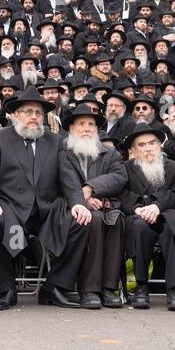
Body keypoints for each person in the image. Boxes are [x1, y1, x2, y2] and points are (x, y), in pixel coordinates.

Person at [0, 87, 91, 311]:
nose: (34, 117)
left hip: (46, 210)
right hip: (11, 208)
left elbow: (67, 176)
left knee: (81, 220)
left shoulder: (56, 140)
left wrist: (78, 202)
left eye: (38, 113)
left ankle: (54, 286)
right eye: (28, 112)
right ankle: (7, 289)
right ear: (16, 115)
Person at [60, 103, 129, 308]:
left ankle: (109, 288)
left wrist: (91, 188)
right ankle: (89, 289)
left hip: (106, 205)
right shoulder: (62, 153)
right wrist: (84, 199)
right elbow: (64, 182)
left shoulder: (110, 154)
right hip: (69, 207)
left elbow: (119, 176)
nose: (87, 128)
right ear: (71, 129)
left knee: (115, 220)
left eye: (91, 124)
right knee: (94, 220)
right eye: (81, 124)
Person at [119, 119, 175, 310]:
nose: (148, 148)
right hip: (139, 216)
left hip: (167, 215)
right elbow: (122, 194)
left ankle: (174, 289)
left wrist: (157, 206)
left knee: (172, 230)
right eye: (142, 145)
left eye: (152, 143)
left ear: (160, 145)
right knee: (139, 227)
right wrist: (138, 208)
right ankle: (141, 287)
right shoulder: (126, 168)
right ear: (134, 150)